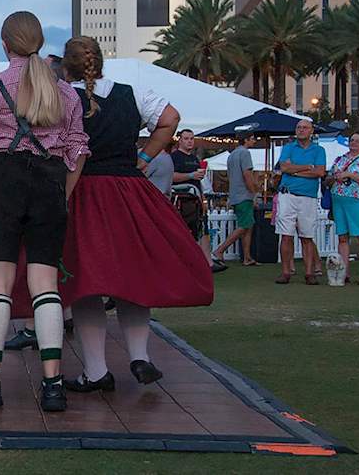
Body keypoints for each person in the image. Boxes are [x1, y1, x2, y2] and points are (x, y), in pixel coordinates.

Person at [58, 35, 212, 396]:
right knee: (133, 276)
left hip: (83, 191)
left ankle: (96, 372)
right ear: (100, 61)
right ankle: (140, 357)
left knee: (86, 285)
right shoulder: (130, 92)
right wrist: (144, 158)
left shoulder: (64, 97)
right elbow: (171, 118)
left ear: (67, 67)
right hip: (128, 191)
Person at [0, 11, 87, 412]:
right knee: (46, 283)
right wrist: (62, 191)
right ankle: (53, 386)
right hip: (49, 183)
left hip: (5, 179)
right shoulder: (67, 93)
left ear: (5, 44)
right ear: (41, 42)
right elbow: (78, 150)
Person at [274, 119, 327, 285]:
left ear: (311, 131)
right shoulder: (288, 147)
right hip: (288, 195)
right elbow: (284, 168)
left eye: (305, 128)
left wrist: (294, 170)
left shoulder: (319, 150)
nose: (301, 130)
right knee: (286, 234)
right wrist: (306, 168)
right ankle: (285, 272)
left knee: (307, 235)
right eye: (299, 127)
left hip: (307, 197)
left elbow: (319, 172)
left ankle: (309, 273)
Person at [170, 130, 226, 273]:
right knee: (185, 232)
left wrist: (202, 199)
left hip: (197, 198)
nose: (189, 141)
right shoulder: (175, 157)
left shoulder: (195, 159)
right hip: (182, 199)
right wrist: (190, 175)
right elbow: (171, 177)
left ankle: (208, 263)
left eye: (191, 138)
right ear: (180, 140)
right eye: (186, 138)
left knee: (203, 229)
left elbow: (198, 181)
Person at [329, 131, 359, 284]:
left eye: (357, 141)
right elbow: (328, 178)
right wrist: (333, 177)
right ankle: (344, 272)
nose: (353, 143)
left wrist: (350, 175)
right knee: (342, 236)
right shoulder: (339, 159)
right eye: (351, 140)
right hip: (339, 199)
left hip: (357, 200)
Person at [212, 130, 261, 266]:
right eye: (252, 138)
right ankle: (220, 250)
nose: (254, 141)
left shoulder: (232, 154)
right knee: (245, 225)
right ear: (245, 140)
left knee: (247, 225)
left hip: (234, 194)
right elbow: (247, 175)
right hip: (243, 195)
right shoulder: (245, 153)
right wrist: (254, 193)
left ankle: (247, 257)